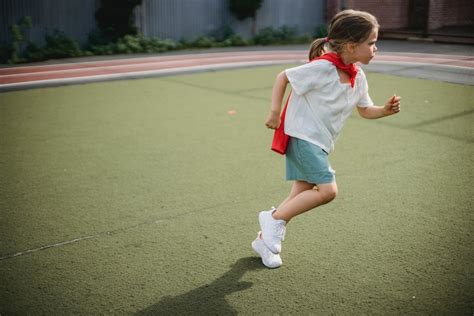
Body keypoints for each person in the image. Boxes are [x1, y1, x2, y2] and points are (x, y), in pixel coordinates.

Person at [251, 9, 401, 268]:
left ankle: (265, 240)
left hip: (320, 144)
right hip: (302, 137)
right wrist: (275, 112)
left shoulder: (358, 76)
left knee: (302, 192)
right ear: (352, 46)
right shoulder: (323, 68)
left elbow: (365, 110)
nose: (376, 48)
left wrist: (384, 111)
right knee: (328, 191)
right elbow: (284, 76)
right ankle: (272, 219)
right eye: (372, 43)